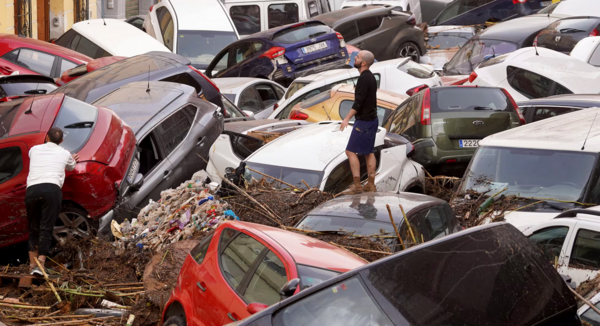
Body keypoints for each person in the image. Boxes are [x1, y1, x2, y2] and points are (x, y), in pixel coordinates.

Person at [26, 127, 78, 276]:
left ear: (46, 137)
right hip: (51, 190)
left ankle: (32, 267)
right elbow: (71, 166)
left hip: (32, 191)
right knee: (46, 227)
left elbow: (36, 158)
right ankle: (40, 266)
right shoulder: (65, 153)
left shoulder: (34, 149)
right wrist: (72, 158)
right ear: (61, 141)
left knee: (33, 228)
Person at [339, 50, 378, 194]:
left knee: (350, 151)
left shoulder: (363, 78)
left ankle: (357, 186)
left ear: (363, 63)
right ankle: (371, 184)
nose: (354, 57)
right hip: (372, 119)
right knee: (368, 152)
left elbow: (358, 102)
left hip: (364, 121)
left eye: (357, 57)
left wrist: (346, 119)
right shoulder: (371, 77)